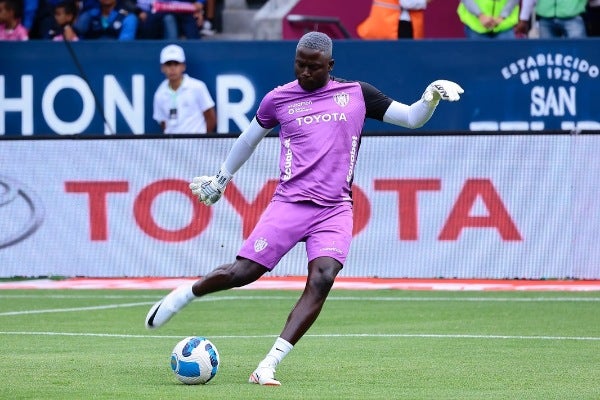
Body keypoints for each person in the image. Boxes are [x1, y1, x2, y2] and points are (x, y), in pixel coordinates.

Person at [144, 31, 463, 386]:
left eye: (314, 67)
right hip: (290, 203)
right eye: (300, 64)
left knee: (323, 277)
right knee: (243, 273)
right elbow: (249, 139)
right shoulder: (278, 99)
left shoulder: (358, 94)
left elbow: (411, 118)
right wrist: (221, 180)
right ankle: (185, 294)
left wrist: (430, 97)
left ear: (331, 65)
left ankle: (268, 364)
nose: (305, 73)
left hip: (335, 209)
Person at [153, 44, 216, 134]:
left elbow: (210, 117)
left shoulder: (197, 87)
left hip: (197, 146)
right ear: (162, 68)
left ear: (183, 66)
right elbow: (163, 123)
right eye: (168, 64)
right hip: (171, 147)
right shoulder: (159, 93)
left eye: (176, 63)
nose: (172, 68)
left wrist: (201, 141)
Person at [518, 0, 587, 38]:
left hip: (573, 16)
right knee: (548, 53)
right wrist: (524, 18)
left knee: (577, 51)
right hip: (545, 18)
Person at [74, 0, 138, 40]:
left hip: (117, 58)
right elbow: (77, 36)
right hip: (89, 56)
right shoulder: (89, 15)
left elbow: (125, 46)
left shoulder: (128, 17)